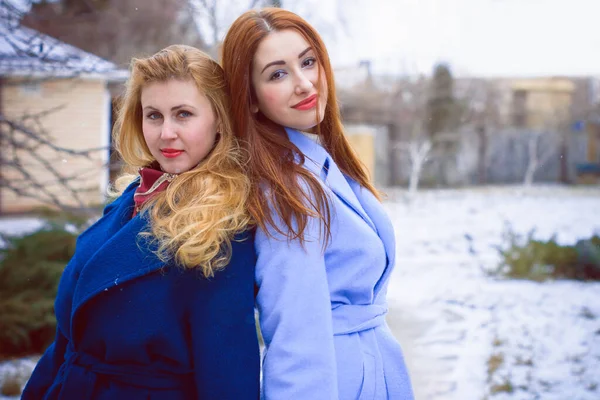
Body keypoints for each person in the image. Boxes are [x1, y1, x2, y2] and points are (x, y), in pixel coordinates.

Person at [22, 45, 260, 400]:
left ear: (219, 121)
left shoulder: (223, 225)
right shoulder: (134, 195)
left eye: (183, 114)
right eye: (154, 115)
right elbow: (67, 341)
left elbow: (227, 373)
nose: (166, 133)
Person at [221, 8, 415, 400]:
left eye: (308, 62)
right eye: (278, 74)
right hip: (338, 380)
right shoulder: (284, 190)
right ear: (252, 99)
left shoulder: (316, 160)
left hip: (370, 369)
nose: (305, 83)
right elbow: (295, 332)